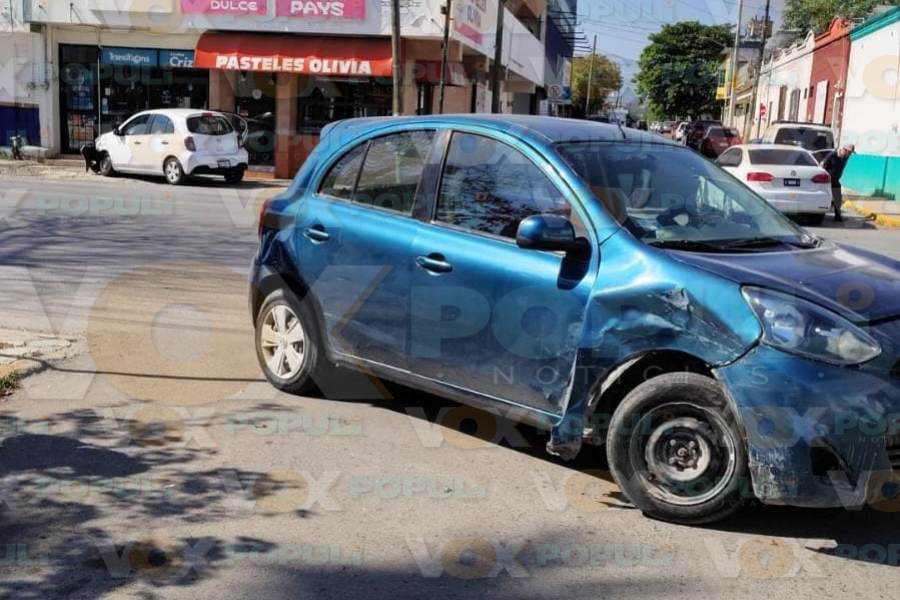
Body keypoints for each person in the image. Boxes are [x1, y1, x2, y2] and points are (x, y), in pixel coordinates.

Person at [822, 145, 855, 222]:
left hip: (835, 180)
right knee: (824, 197)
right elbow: (823, 166)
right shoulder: (832, 155)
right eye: (849, 152)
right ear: (844, 150)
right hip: (827, 179)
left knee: (838, 198)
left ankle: (837, 216)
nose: (850, 155)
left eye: (851, 153)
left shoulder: (846, 157)